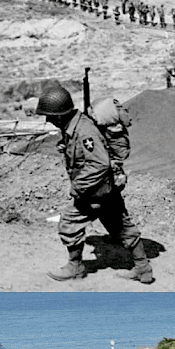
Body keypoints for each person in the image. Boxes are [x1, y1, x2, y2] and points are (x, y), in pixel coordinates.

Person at [35, 84, 154, 283]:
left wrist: (78, 187)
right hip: (107, 189)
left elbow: (99, 163)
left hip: (94, 192)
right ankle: (143, 269)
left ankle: (75, 267)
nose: (48, 120)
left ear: (60, 115)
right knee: (122, 228)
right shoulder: (73, 127)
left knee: (68, 223)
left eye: (50, 116)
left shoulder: (84, 131)